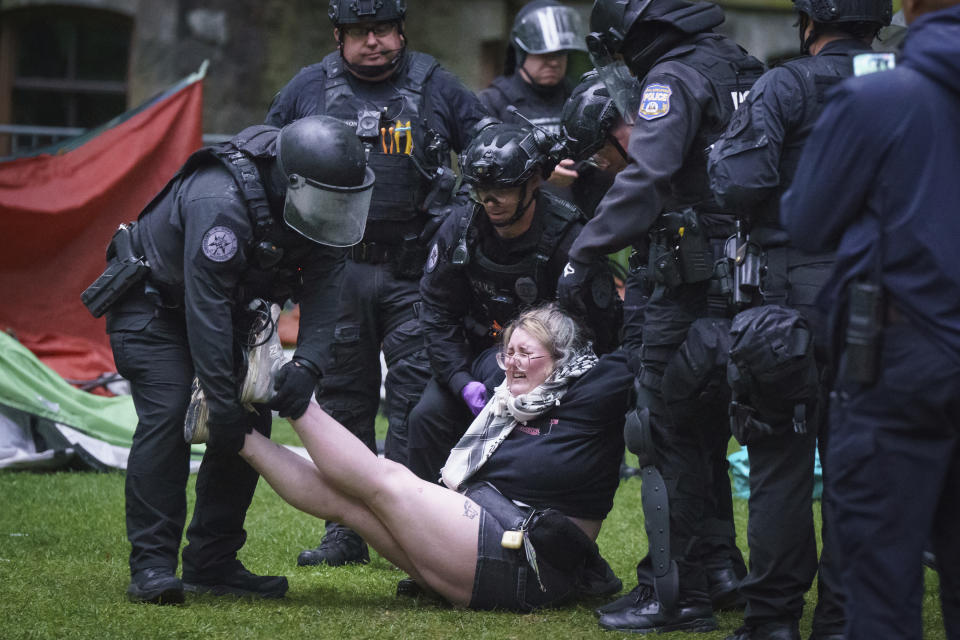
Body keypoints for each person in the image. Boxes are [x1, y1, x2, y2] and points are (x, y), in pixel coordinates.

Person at [94, 116, 372, 604]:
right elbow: (207, 310)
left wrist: (307, 365)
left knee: (250, 420)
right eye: (326, 199)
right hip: (152, 309)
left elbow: (328, 290)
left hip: (225, 313)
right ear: (292, 184)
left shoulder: (320, 207)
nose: (334, 210)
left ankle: (212, 562)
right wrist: (220, 402)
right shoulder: (220, 203)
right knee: (171, 414)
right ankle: (153, 568)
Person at [556, 0, 765, 633]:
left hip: (689, 285)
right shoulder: (745, 65)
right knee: (706, 430)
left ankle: (672, 594)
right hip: (753, 280)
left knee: (663, 428)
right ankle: (722, 570)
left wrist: (583, 251)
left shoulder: (671, 80)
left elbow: (648, 173)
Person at [265, 0, 488, 567]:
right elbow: (269, 161)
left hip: (417, 274)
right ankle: (346, 532)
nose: (375, 42)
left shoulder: (436, 84)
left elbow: (487, 150)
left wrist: (458, 219)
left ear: (400, 30)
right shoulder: (307, 89)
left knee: (417, 400)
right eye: (361, 32)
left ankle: (414, 524)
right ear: (339, 35)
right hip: (334, 270)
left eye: (384, 30)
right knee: (342, 400)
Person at [238, 304, 634, 610]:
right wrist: (462, 384)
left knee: (385, 479)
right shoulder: (506, 394)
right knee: (349, 504)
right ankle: (233, 432)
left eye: (524, 353)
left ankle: (281, 389)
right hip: (480, 540)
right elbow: (454, 363)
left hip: (530, 563)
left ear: (562, 357)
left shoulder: (598, 388)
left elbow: (642, 351)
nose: (510, 363)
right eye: (507, 352)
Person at [706, 1, 891, 638]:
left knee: (781, 466)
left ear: (808, 22)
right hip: (881, 302)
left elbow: (738, 182)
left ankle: (773, 622)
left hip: (787, 302)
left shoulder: (785, 83)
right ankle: (841, 621)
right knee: (856, 470)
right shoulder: (904, 81)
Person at [780, 0, 960, 636]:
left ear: (911, 9)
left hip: (898, 361)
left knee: (880, 579)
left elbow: (806, 221)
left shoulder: (878, 100)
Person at [407, 122, 620, 483]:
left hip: (552, 375)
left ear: (535, 181)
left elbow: (598, 335)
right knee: (426, 417)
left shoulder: (570, 240)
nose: (490, 200)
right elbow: (437, 312)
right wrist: (460, 380)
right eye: (481, 190)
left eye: (501, 188)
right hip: (474, 360)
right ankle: (425, 516)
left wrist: (539, 377)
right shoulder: (460, 229)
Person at [478, 0, 588, 191]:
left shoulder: (579, 98)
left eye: (560, 54)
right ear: (522, 53)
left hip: (579, 213)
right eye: (544, 54)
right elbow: (483, 171)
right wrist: (540, 173)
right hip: (521, 214)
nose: (553, 62)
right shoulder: (494, 101)